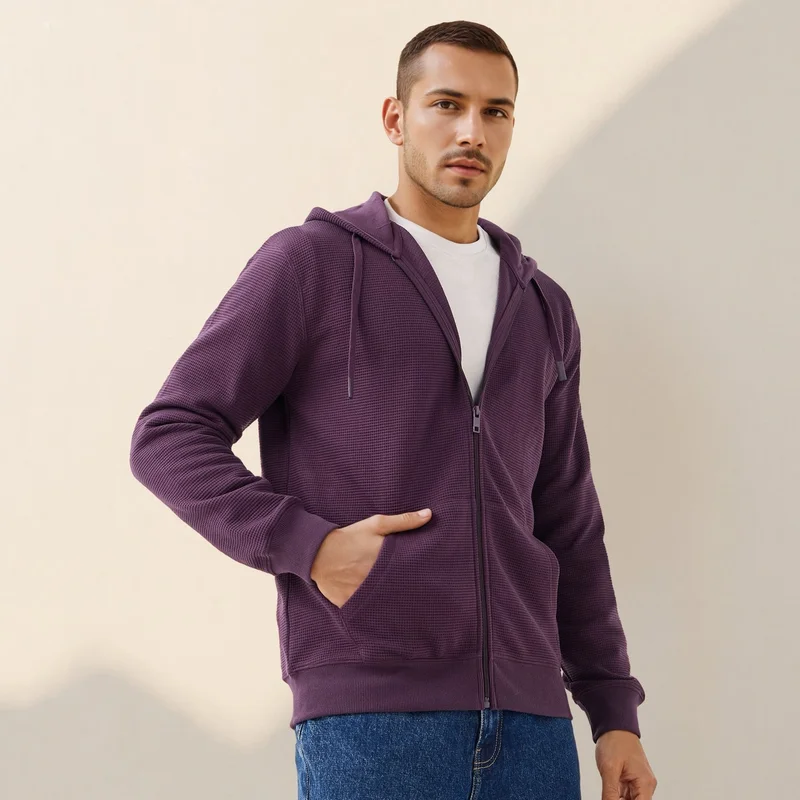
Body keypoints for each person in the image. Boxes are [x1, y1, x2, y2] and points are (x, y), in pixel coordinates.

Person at [129, 18, 657, 800]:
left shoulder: (542, 306)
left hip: (534, 728)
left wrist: (613, 713)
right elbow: (170, 434)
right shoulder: (310, 265)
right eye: (447, 104)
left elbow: (568, 521)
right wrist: (308, 545)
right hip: (373, 722)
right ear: (396, 118)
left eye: (495, 111)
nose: (472, 131)